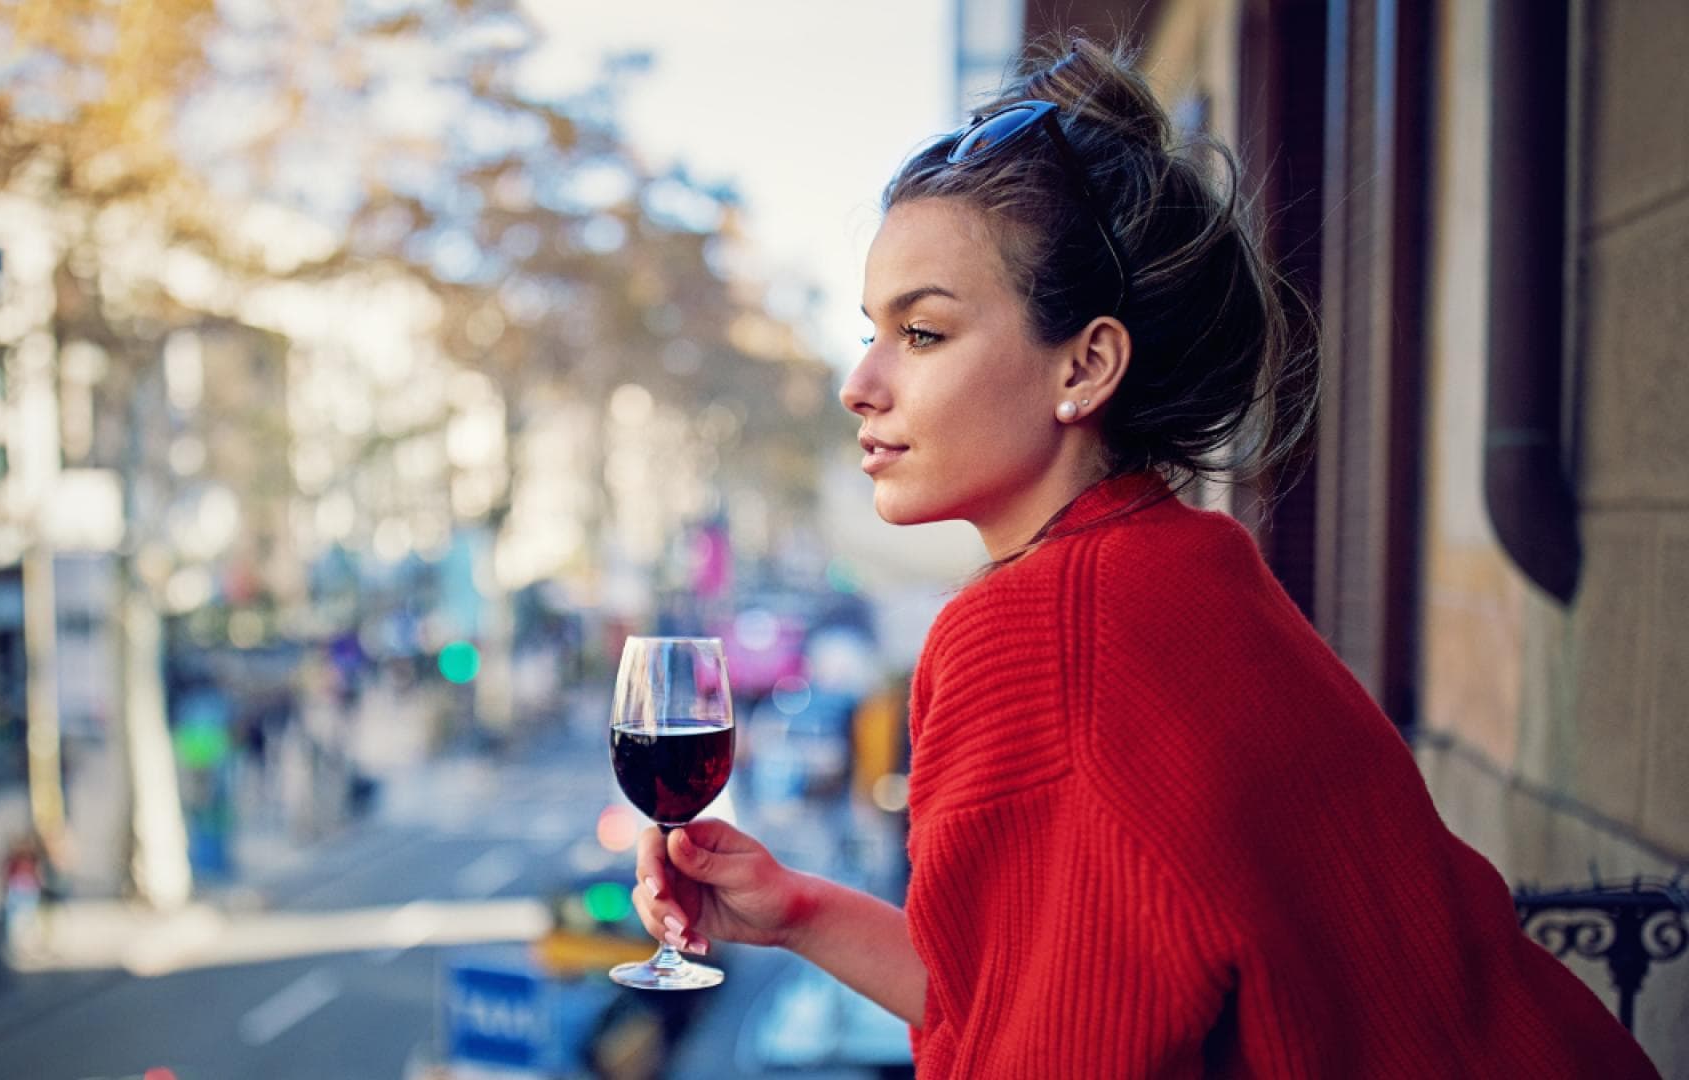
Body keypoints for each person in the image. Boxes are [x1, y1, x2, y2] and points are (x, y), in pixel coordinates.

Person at [630, 38, 1661, 1078]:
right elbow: (1032, 999)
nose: (862, 383)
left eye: (926, 334)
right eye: (872, 331)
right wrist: (799, 908)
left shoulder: (1040, 632)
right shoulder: (1186, 565)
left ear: (1085, 365)